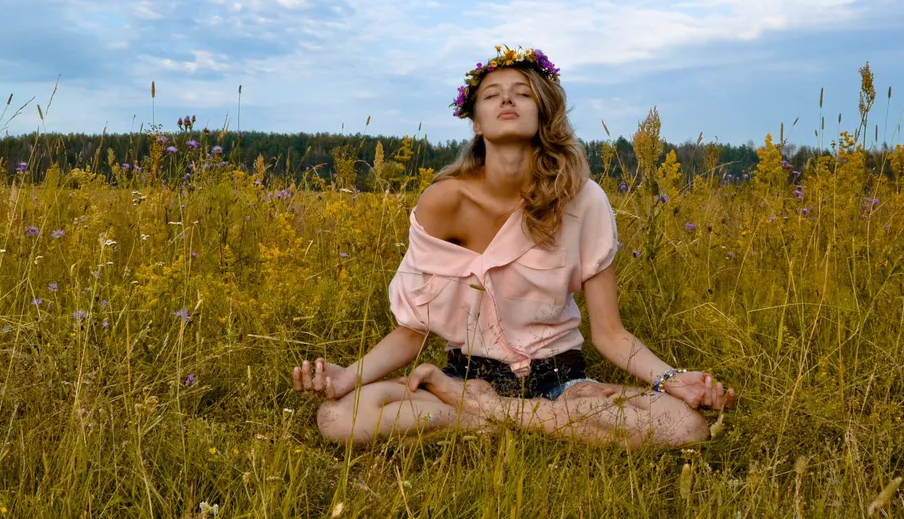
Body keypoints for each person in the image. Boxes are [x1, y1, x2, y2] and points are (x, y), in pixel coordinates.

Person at [291, 46, 738, 448]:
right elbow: (414, 329)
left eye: (522, 93)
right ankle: (542, 425)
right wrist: (348, 376)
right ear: (476, 121)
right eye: (492, 95)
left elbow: (610, 334)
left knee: (684, 427)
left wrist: (671, 380)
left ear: (544, 113)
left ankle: (489, 417)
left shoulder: (583, 200)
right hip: (468, 378)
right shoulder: (444, 202)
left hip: (561, 382)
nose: (507, 99)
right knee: (338, 417)